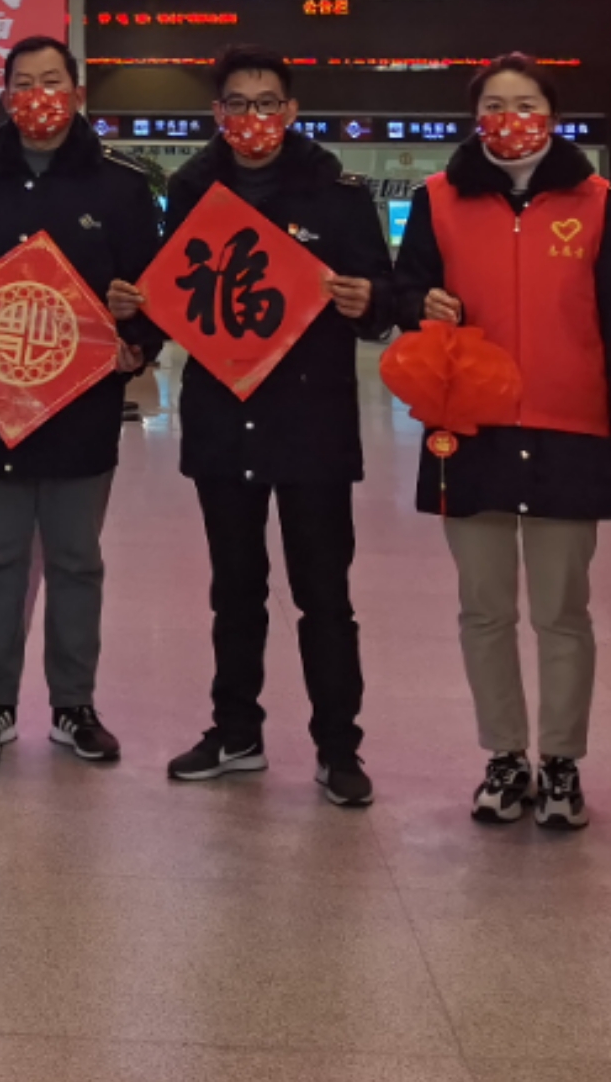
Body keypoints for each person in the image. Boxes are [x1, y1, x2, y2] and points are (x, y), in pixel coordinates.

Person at [393, 52, 611, 832]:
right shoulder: (438, 198)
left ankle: (563, 759)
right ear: (476, 117)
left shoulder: (600, 202)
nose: (510, 118)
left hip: (572, 429)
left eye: (526, 102)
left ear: (553, 114)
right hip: (467, 427)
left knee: (561, 609)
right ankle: (505, 755)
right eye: (495, 105)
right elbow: (405, 290)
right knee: (483, 607)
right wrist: (421, 303)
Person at [157, 51, 394, 807]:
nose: (253, 116)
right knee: (235, 590)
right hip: (222, 418)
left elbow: (384, 295)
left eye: (267, 102)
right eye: (238, 103)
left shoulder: (336, 191)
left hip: (311, 421)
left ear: (291, 111)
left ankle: (338, 747)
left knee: (324, 593)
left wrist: (366, 299)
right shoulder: (191, 188)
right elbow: (173, 289)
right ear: (217, 114)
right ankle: (235, 731)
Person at [0, 36, 164, 770]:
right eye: (23, 83)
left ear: (78, 93)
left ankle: (73, 704)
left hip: (83, 406)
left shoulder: (121, 184)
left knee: (76, 559)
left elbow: (151, 291)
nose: (38, 96)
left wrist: (137, 338)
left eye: (52, 81)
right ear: (4, 96)